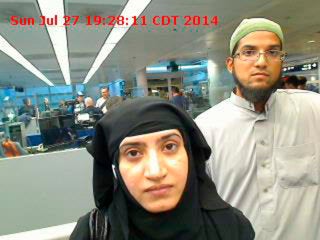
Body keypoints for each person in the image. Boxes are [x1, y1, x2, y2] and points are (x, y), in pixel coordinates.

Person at [195, 18, 320, 240]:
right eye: (249, 52)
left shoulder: (313, 110)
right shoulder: (205, 129)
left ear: (281, 62)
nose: (261, 61)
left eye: (272, 52)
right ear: (231, 63)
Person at [70, 97, 254, 240]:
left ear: (189, 154)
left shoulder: (230, 227)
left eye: (169, 147)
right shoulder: (92, 233)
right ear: (116, 166)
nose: (156, 172)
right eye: (133, 153)